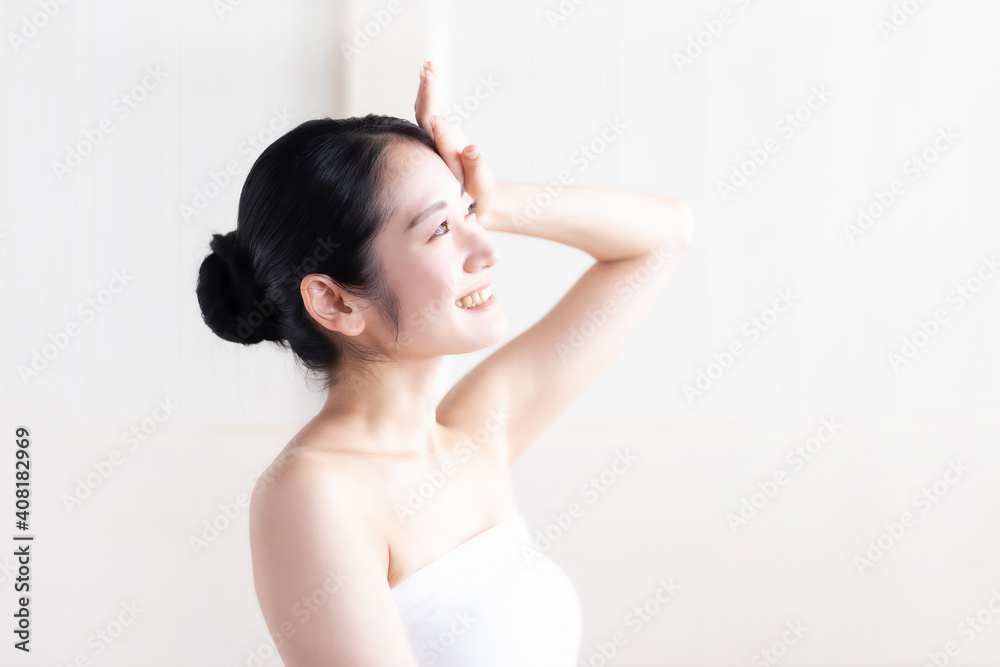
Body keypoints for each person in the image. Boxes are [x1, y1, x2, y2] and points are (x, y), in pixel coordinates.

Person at [195, 60, 693, 667]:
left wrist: (497, 200)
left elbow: (662, 237)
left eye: (469, 215)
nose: (485, 248)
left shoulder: (474, 436)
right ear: (334, 301)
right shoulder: (313, 495)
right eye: (438, 230)